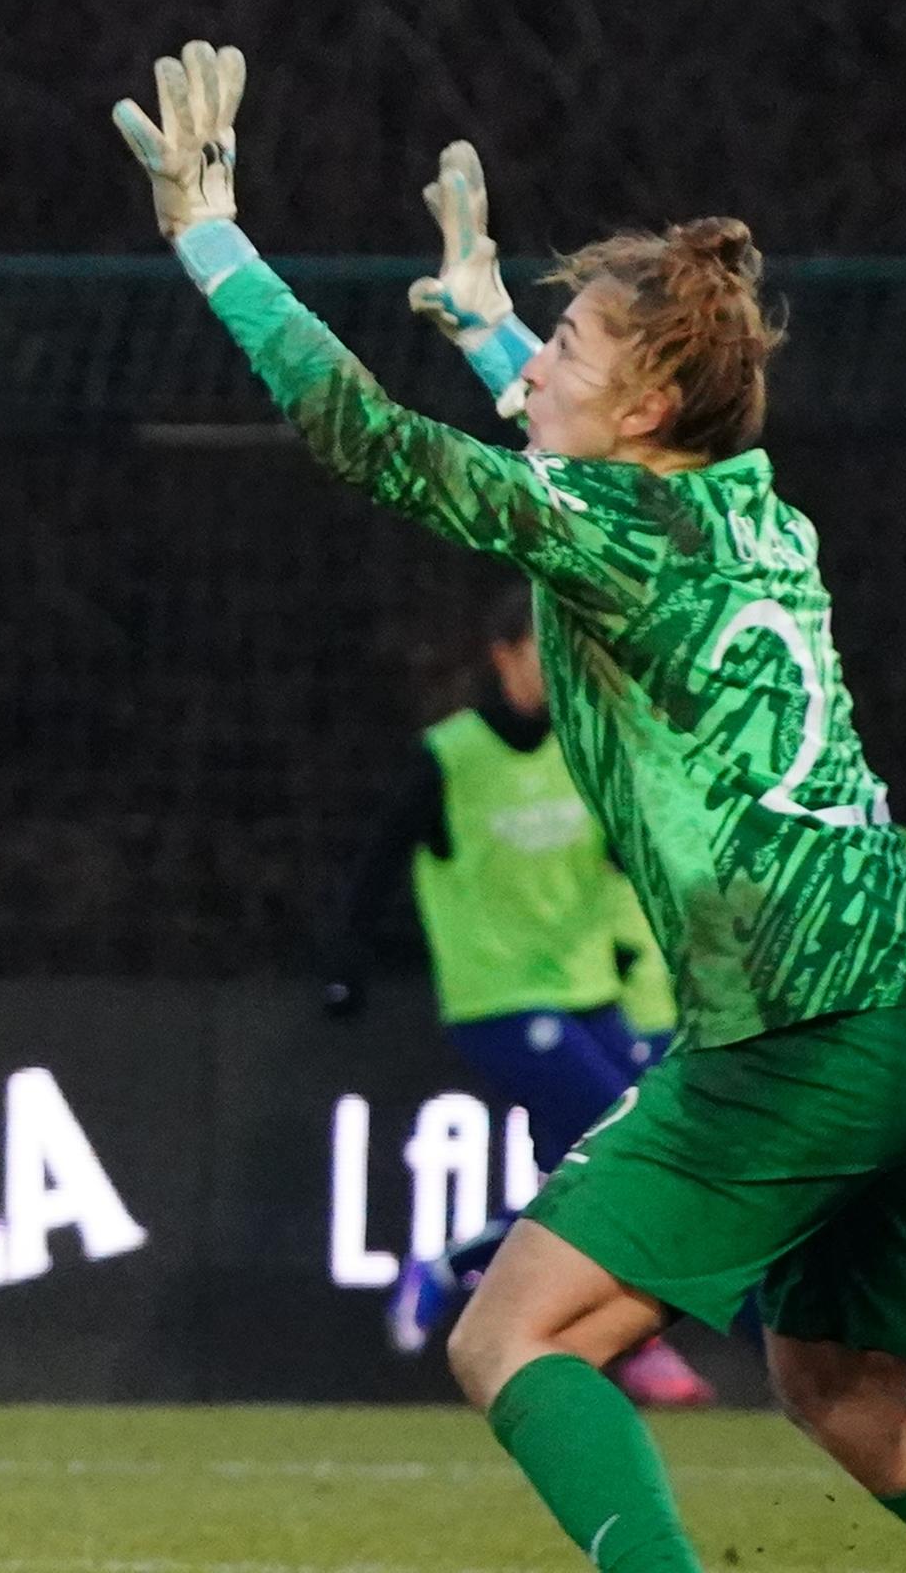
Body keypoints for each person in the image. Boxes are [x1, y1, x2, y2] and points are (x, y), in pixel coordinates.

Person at [112, 44, 906, 1573]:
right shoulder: (758, 511)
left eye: (570, 343)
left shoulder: (613, 525)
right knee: (852, 1400)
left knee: (511, 1338)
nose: (543, 367)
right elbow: (592, 471)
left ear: (645, 402)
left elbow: (370, 439)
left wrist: (210, 241)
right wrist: (495, 321)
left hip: (802, 1021)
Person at [332, 590, 708, 1406]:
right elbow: (376, 862)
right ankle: (496, 1284)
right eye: (547, 649)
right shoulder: (452, 756)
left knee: (598, 1180)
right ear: (503, 655)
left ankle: (552, 1315)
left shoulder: (588, 745)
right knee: (627, 1153)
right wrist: (348, 962)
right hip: (499, 998)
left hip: (595, 994)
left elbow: (630, 859)